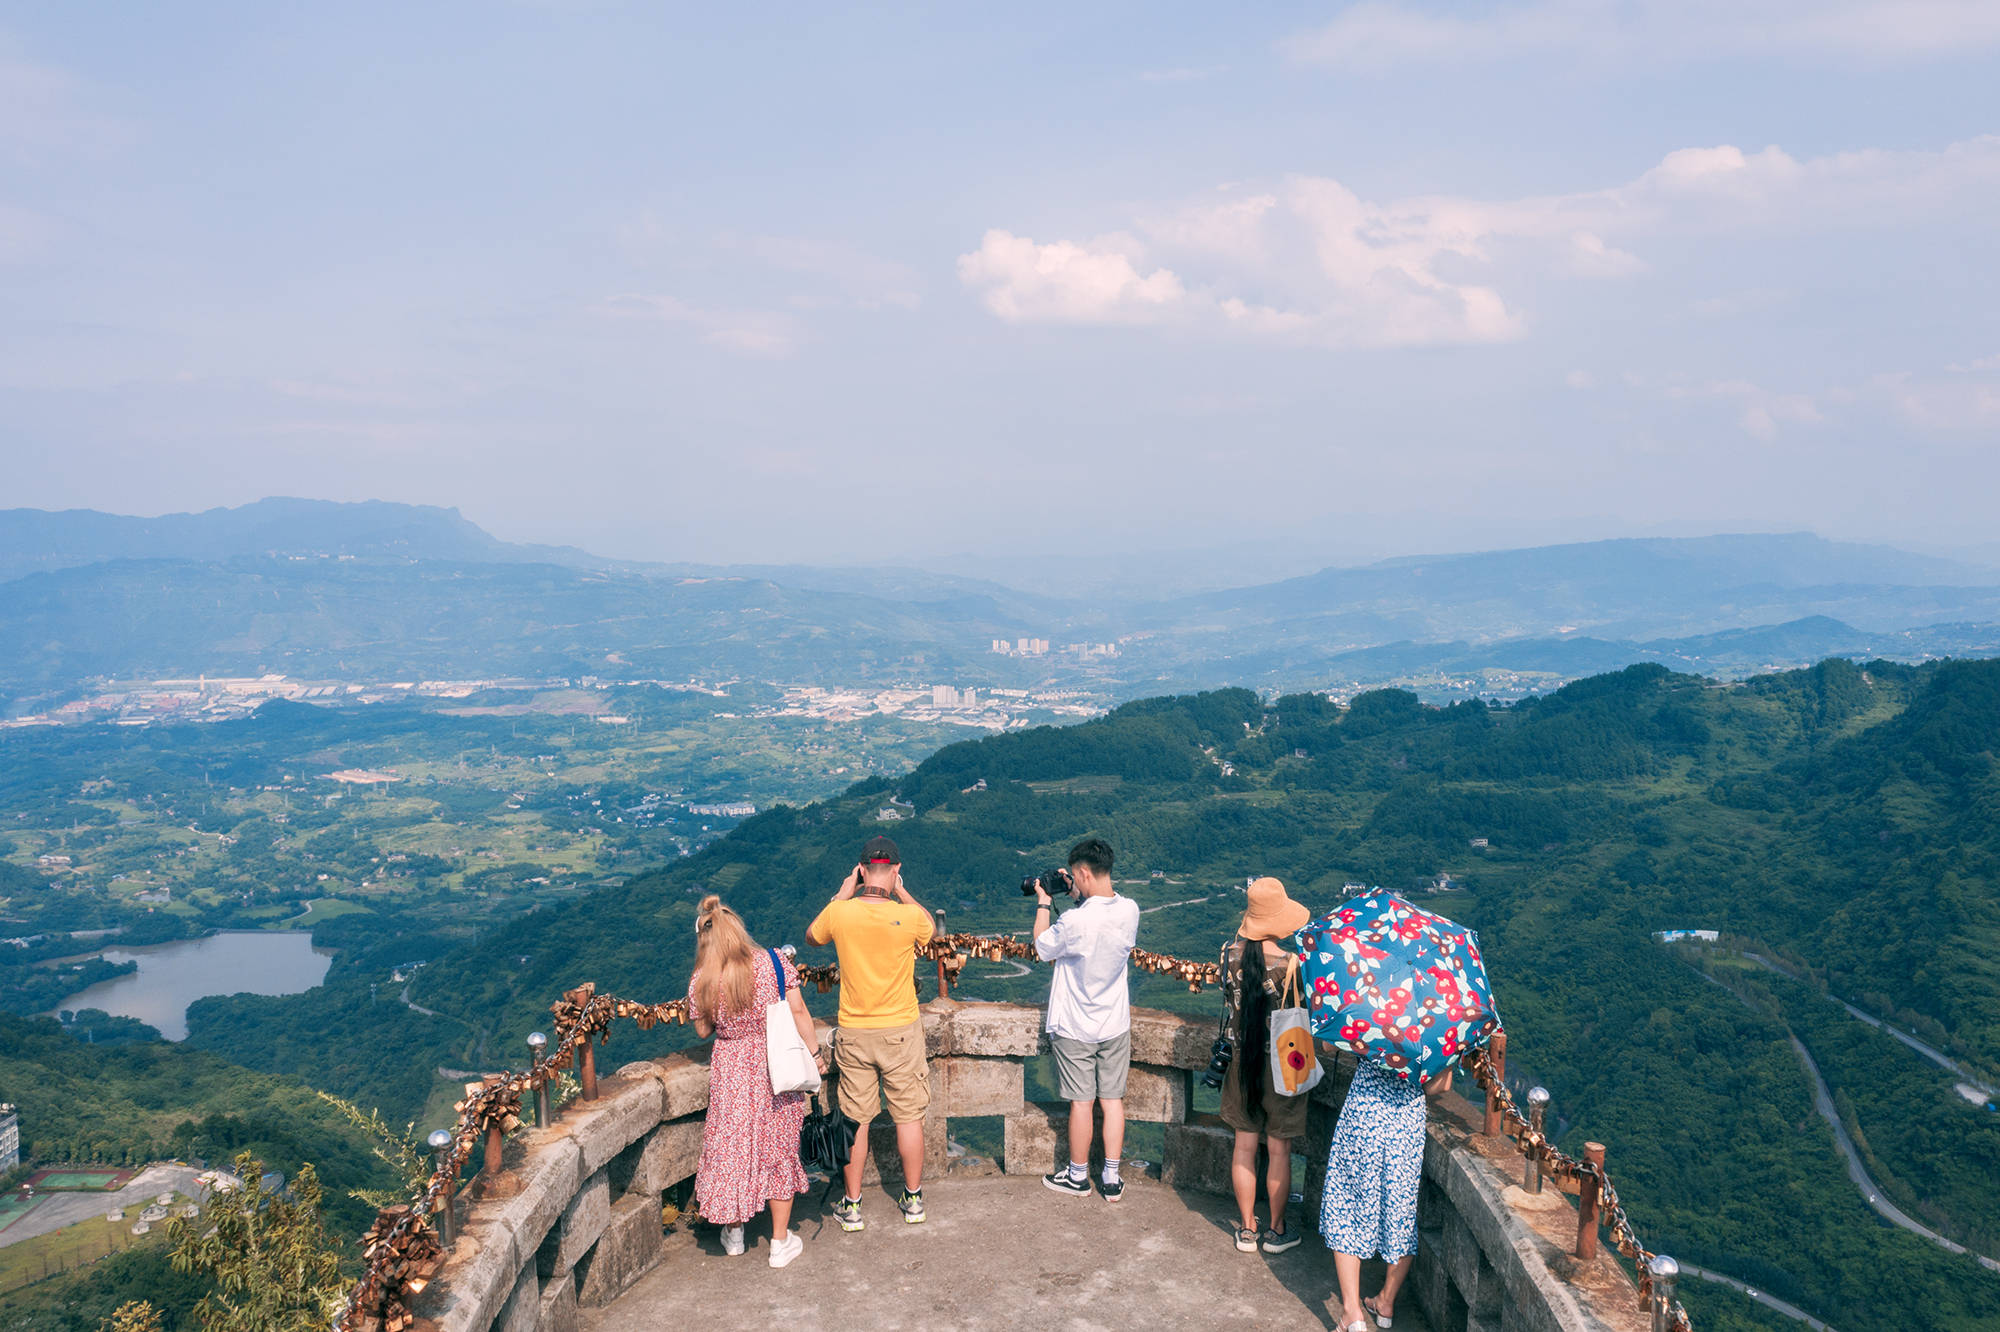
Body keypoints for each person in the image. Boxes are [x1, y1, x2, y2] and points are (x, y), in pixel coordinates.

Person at [805, 834, 936, 1232]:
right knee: (909, 1117)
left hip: (855, 1031)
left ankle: (853, 1204)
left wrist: (842, 894)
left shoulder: (840, 914)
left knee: (856, 1120)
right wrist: (904, 891)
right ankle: (913, 1201)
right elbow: (932, 931)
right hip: (900, 1030)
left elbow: (812, 937)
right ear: (895, 871)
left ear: (861, 871)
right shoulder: (910, 916)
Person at [686, 894, 822, 1269]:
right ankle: (780, 1242)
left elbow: (701, 1030)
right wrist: (814, 1054)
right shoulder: (775, 962)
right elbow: (797, 1010)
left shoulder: (703, 978)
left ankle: (734, 1235)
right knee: (779, 1149)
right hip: (775, 1065)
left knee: (733, 1151)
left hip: (731, 1069)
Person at [1032, 837, 1140, 1201]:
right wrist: (1080, 893)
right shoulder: (1130, 910)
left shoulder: (1075, 921)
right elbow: (1104, 909)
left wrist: (1045, 902)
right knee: (1112, 1101)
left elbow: (1042, 946)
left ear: (1081, 873)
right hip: (1114, 1023)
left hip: (1075, 1024)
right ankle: (1111, 1178)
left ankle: (1077, 1176)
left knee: (1082, 1102)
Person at [1323, 1053, 1456, 1331]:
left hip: (1364, 1116)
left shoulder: (1368, 1008)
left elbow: (1327, 1043)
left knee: (1346, 1204)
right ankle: (1386, 1302)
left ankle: (1352, 1313)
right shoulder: (1434, 1021)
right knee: (1401, 1211)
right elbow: (1439, 1087)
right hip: (1405, 1125)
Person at [1217, 876, 1311, 1253]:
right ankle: (1276, 1229)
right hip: (1282, 1067)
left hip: (1242, 1061)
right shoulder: (1291, 965)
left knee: (1243, 1147)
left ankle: (1246, 1228)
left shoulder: (1228, 954)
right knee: (1279, 1151)